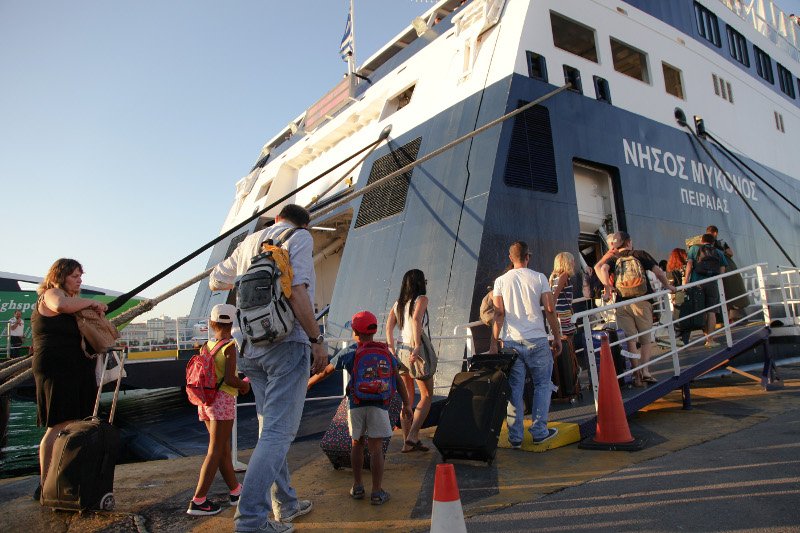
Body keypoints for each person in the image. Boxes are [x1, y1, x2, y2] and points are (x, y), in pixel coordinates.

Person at [209, 204, 327, 533]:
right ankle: (250, 522)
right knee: (277, 433)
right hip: (285, 344)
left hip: (248, 347)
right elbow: (298, 290)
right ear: (305, 223)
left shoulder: (249, 241)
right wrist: (317, 338)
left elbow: (215, 281)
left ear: (277, 218)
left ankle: (286, 503)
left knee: (268, 431)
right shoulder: (299, 236)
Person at [307, 311, 412, 505]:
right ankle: (377, 492)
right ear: (374, 330)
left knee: (357, 443)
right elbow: (397, 378)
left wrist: (310, 382)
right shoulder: (385, 353)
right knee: (376, 449)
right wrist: (406, 404)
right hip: (379, 406)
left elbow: (326, 372)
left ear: (355, 332)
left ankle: (357, 486)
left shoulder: (350, 352)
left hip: (356, 404)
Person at [31, 258, 107, 499]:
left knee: (74, 422)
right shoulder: (51, 294)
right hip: (57, 368)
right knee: (57, 424)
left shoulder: (75, 302)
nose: (79, 280)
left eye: (80, 276)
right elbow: (61, 305)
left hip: (75, 368)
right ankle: (45, 484)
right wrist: (94, 301)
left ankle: (62, 478)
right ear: (60, 276)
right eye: (75, 276)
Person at [489, 241, 563, 447]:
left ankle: (515, 437)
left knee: (514, 389)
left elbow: (499, 313)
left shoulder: (500, 281)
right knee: (542, 385)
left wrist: (494, 343)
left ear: (510, 258)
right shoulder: (539, 277)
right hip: (537, 340)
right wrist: (556, 337)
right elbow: (549, 309)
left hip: (511, 342)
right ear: (527, 256)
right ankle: (539, 431)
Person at [187, 304, 251, 517]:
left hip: (206, 401)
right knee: (215, 450)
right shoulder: (230, 345)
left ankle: (235, 491)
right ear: (232, 323)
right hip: (222, 401)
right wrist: (244, 385)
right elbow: (232, 378)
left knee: (222, 448)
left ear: (212, 323)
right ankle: (198, 500)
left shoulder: (206, 345)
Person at [595, 232, 675, 387]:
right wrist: (668, 286)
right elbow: (658, 272)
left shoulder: (613, 259)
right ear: (629, 242)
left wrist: (607, 288)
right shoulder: (640, 254)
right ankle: (645, 371)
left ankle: (636, 372)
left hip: (622, 304)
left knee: (630, 339)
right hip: (642, 301)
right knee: (645, 339)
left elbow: (602, 268)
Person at [385, 269, 436, 453]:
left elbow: (388, 326)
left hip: (400, 350)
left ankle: (407, 443)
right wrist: (416, 346)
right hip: (414, 349)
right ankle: (413, 435)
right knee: (427, 395)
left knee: (407, 399)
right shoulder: (421, 299)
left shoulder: (399, 303)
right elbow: (416, 320)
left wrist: (391, 347)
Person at [684, 233, 728, 348]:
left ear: (702, 241)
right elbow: (723, 267)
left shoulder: (694, 248)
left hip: (697, 283)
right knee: (712, 312)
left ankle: (705, 335)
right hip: (712, 283)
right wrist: (719, 279)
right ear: (713, 242)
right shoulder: (718, 252)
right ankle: (710, 340)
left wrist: (686, 280)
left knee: (701, 310)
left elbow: (689, 264)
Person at [549, 252, 577, 354]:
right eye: (572, 261)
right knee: (569, 341)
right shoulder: (564, 276)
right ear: (568, 262)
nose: (574, 263)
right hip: (564, 315)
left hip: (558, 315)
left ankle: (565, 365)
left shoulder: (553, 277)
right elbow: (555, 296)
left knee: (561, 342)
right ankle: (571, 365)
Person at [666, 248, 690, 345]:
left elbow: (671, 284)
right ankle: (684, 339)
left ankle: (679, 338)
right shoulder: (684, 267)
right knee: (686, 317)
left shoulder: (670, 269)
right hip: (685, 293)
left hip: (675, 294)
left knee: (678, 316)